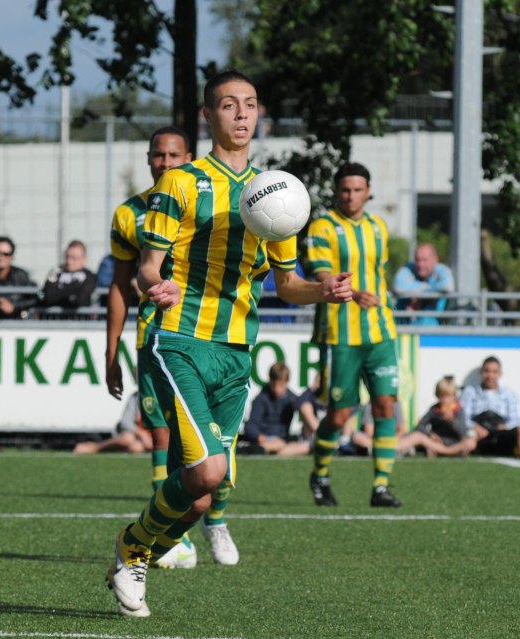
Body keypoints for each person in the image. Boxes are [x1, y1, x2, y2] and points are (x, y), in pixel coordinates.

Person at [105, 69, 352, 618]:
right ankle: (133, 548)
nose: (242, 114)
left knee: (200, 493)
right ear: (208, 116)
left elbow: (287, 285)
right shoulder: (182, 183)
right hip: (179, 340)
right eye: (229, 105)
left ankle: (137, 552)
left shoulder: (280, 194)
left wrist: (324, 289)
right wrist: (156, 285)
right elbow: (145, 268)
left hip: (236, 353)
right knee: (211, 471)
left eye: (250, 104)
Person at [104, 125, 197, 571]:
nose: (165, 163)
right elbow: (121, 287)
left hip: (207, 334)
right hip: (154, 337)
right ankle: (166, 537)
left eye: (173, 155)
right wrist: (110, 353)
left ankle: (212, 521)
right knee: (161, 431)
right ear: (148, 160)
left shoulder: (206, 203)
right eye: (158, 155)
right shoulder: (129, 215)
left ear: (189, 157)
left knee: (209, 446)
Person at [306, 161, 401, 508]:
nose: (351, 196)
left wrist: (378, 298)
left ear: (368, 191)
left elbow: (380, 272)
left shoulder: (378, 226)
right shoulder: (322, 227)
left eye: (358, 189)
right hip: (340, 333)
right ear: (337, 192)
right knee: (340, 415)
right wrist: (355, 293)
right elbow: (321, 271)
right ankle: (320, 474)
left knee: (385, 406)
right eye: (345, 190)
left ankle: (380, 486)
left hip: (381, 331)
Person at [241, 362, 313, 456]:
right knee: (280, 444)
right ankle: (259, 448)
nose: (276, 389)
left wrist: (312, 389)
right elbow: (251, 426)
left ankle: (263, 450)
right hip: (264, 438)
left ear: (287, 382)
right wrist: (260, 437)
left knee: (303, 447)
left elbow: (302, 404)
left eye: (280, 385)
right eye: (273, 385)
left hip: (282, 442)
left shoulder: (291, 398)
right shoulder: (262, 398)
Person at [459, 356, 520, 439]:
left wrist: (505, 427)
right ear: (481, 372)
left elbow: (515, 419)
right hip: (476, 431)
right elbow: (462, 417)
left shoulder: (508, 393)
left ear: (500, 373)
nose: (490, 376)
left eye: (494, 372)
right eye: (487, 371)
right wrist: (476, 427)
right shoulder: (470, 391)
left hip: (501, 432)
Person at [393, 243, 455, 325]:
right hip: (403, 332)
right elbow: (398, 287)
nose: (420, 264)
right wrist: (427, 290)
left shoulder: (441, 271)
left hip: (430, 334)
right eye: (417, 260)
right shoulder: (408, 269)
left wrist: (420, 299)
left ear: (435, 260)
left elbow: (448, 286)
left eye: (425, 260)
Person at [73, 391, 154, 454]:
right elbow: (125, 422)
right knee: (128, 439)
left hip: (156, 437)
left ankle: (96, 448)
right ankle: (96, 448)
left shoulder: (160, 394)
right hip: (138, 438)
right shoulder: (135, 396)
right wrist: (141, 434)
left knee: (136, 448)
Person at [0, 236, 37, 319]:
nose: (0, 257)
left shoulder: (21, 275)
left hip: (16, 323)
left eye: (5, 254)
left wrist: (14, 306)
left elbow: (34, 298)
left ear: (12, 256)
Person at [412, 376, 472, 456]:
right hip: (437, 441)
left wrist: (452, 420)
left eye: (449, 397)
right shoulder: (434, 410)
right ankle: (441, 451)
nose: (445, 400)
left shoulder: (458, 409)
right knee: (419, 437)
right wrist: (431, 435)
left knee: (470, 441)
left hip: (455, 442)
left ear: (454, 396)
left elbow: (463, 431)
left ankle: (447, 451)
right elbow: (420, 426)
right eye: (442, 397)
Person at [41, 240, 97, 309]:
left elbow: (80, 300)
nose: (69, 261)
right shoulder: (56, 271)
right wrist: (72, 291)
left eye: (74, 258)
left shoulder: (89, 276)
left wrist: (61, 290)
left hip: (78, 319)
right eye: (67, 257)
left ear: (83, 259)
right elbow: (48, 297)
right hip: (55, 318)